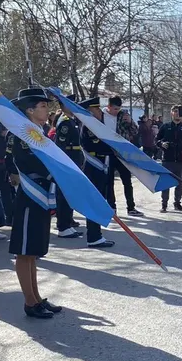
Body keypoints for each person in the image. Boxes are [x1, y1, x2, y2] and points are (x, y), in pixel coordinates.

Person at [6, 89, 62, 319]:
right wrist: (53, 172)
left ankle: (36, 297)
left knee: (33, 251)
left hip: (40, 194)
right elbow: (25, 161)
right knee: (24, 251)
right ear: (30, 110)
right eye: (43, 106)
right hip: (30, 194)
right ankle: (29, 301)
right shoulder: (23, 133)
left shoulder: (38, 132)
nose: (47, 110)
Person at [78, 97, 117, 249]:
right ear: (89, 111)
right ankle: (94, 236)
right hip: (94, 167)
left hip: (99, 166)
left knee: (98, 200)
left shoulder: (95, 125)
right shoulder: (90, 127)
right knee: (95, 201)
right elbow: (98, 146)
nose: (100, 112)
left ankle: (96, 234)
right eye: (96, 109)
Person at [106, 97, 143, 217]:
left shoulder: (123, 115)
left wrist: (130, 122)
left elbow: (135, 132)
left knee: (127, 181)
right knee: (109, 182)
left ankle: (131, 207)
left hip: (123, 154)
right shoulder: (102, 116)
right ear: (109, 106)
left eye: (119, 109)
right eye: (115, 109)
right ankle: (112, 207)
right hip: (108, 153)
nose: (117, 111)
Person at [53, 101, 84, 238]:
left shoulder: (72, 120)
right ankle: (63, 226)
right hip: (69, 159)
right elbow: (60, 144)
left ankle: (68, 222)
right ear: (64, 106)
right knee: (64, 194)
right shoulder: (65, 122)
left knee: (71, 193)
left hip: (74, 159)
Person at [156, 105, 182, 212]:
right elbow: (156, 139)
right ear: (171, 113)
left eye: (179, 112)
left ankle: (177, 203)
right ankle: (164, 204)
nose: (177, 114)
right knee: (165, 182)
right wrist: (161, 144)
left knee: (179, 183)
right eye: (175, 111)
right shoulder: (165, 126)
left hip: (181, 159)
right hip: (167, 159)